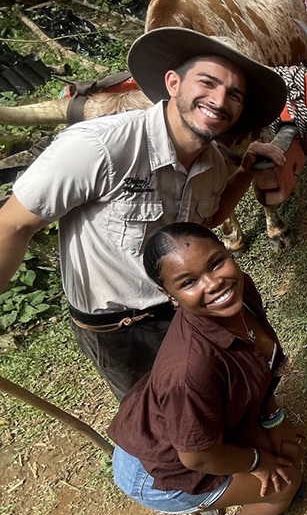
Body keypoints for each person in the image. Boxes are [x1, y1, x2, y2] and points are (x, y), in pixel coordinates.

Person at [0, 27, 287, 400]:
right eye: (207, 83)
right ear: (172, 83)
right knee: (164, 419)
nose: (219, 100)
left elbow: (210, 218)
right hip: (122, 327)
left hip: (189, 305)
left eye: (234, 95)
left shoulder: (214, 164)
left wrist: (245, 172)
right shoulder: (99, 147)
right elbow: (13, 222)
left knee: (224, 389)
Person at [107, 222, 307, 515]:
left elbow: (261, 368)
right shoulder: (189, 369)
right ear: (168, 294)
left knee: (291, 452)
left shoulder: (240, 294)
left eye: (216, 263)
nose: (215, 284)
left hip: (193, 430)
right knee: (286, 480)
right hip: (160, 468)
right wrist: (259, 462)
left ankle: (257, 485)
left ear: (227, 251)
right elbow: (197, 459)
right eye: (189, 282)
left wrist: (275, 419)